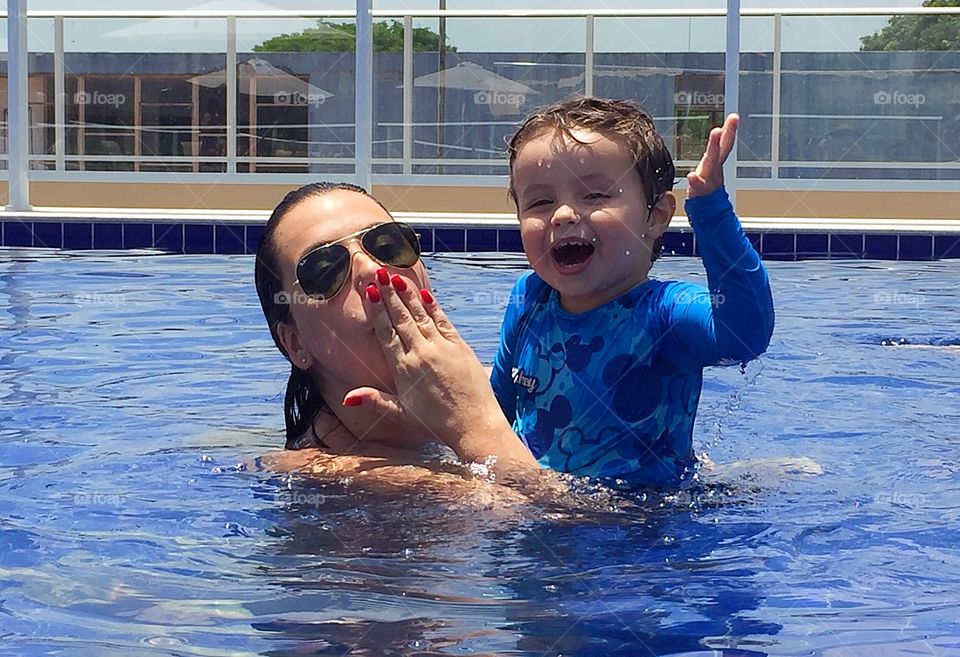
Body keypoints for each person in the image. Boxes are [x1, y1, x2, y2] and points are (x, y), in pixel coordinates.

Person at [490, 97, 776, 487]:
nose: (563, 214)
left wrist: (711, 211)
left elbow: (744, 336)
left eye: (594, 195)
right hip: (541, 501)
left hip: (637, 514)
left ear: (655, 217)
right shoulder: (529, 299)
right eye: (540, 201)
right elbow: (495, 415)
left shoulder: (665, 313)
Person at [253, 181, 540, 492]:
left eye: (388, 246)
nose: (371, 270)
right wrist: (474, 426)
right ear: (295, 343)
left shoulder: (502, 384)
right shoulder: (327, 473)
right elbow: (548, 510)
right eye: (325, 271)